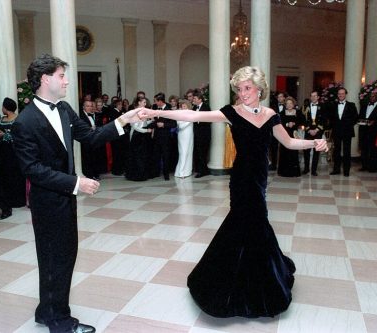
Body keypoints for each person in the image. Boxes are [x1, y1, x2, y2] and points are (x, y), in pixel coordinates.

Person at [138, 66, 327, 318]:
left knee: (255, 223)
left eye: (247, 88)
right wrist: (153, 111)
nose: (243, 93)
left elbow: (289, 142)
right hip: (241, 178)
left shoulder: (271, 115)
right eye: (239, 89)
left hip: (260, 178)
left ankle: (259, 275)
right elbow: (194, 117)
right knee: (248, 222)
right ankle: (237, 283)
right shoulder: (232, 113)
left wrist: (314, 142)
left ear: (259, 89)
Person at [12, 54, 141, 333]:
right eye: (61, 75)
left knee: (62, 256)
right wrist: (76, 183)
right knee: (55, 258)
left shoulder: (65, 109)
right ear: (45, 79)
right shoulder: (25, 121)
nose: (67, 80)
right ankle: (59, 321)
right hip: (47, 201)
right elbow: (32, 169)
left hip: (64, 200)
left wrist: (124, 120)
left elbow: (92, 137)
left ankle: (46, 311)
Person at [0, 97, 26, 208]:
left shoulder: (18, 119)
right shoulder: (1, 119)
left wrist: (5, 135)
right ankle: (8, 199)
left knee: (16, 175)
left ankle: (18, 200)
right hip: (3, 152)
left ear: (6, 107)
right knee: (6, 175)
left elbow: (20, 136)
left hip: (14, 152)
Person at [327, 87, 358, 176]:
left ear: (345, 94)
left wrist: (348, 125)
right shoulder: (333, 105)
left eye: (342, 93)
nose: (341, 95)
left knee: (346, 152)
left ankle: (346, 171)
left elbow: (355, 118)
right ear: (337, 95)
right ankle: (336, 170)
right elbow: (331, 118)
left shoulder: (352, 105)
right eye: (339, 94)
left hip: (347, 132)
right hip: (336, 131)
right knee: (336, 151)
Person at [125, 96, 153, 181]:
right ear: (139, 103)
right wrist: (146, 131)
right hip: (136, 136)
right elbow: (135, 127)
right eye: (144, 102)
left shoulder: (142, 112)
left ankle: (142, 174)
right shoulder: (134, 112)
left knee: (142, 156)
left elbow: (142, 123)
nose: (145, 104)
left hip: (141, 136)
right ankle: (136, 175)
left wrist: (151, 121)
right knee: (137, 156)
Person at [301, 91, 326, 176]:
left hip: (318, 132)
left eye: (315, 96)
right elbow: (303, 120)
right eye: (311, 96)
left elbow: (324, 120)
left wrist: (316, 130)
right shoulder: (305, 107)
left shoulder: (323, 107)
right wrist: (308, 130)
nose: (313, 97)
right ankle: (306, 169)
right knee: (306, 151)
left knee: (316, 152)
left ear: (318, 97)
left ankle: (314, 170)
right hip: (308, 132)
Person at [278, 96, 303, 177]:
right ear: (285, 104)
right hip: (285, 134)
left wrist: (295, 124)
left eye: (290, 103)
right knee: (285, 151)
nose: (289, 105)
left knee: (293, 152)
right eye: (287, 103)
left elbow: (303, 121)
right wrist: (287, 124)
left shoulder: (298, 112)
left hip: (294, 134)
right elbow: (279, 123)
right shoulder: (282, 113)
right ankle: (284, 172)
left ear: (293, 104)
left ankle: (294, 172)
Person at [358, 92, 377, 172]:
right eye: (371, 96)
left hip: (374, 131)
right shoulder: (364, 106)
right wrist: (361, 121)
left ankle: (373, 167)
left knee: (374, 150)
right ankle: (364, 166)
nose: (372, 97)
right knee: (364, 149)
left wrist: (374, 122)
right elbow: (360, 116)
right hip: (364, 131)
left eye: (374, 96)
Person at [192, 90, 211, 178]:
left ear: (200, 99)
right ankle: (200, 169)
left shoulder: (206, 107)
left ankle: (203, 171)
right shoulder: (193, 108)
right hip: (196, 134)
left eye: (195, 98)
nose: (193, 100)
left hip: (204, 134)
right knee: (198, 152)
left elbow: (209, 120)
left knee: (203, 152)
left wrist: (198, 119)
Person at [174, 99, 194, 178]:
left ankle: (187, 171)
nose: (183, 107)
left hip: (190, 135)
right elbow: (180, 126)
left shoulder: (191, 113)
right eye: (182, 106)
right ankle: (181, 172)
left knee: (189, 152)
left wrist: (190, 119)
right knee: (183, 153)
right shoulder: (179, 114)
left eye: (185, 106)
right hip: (182, 135)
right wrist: (190, 120)